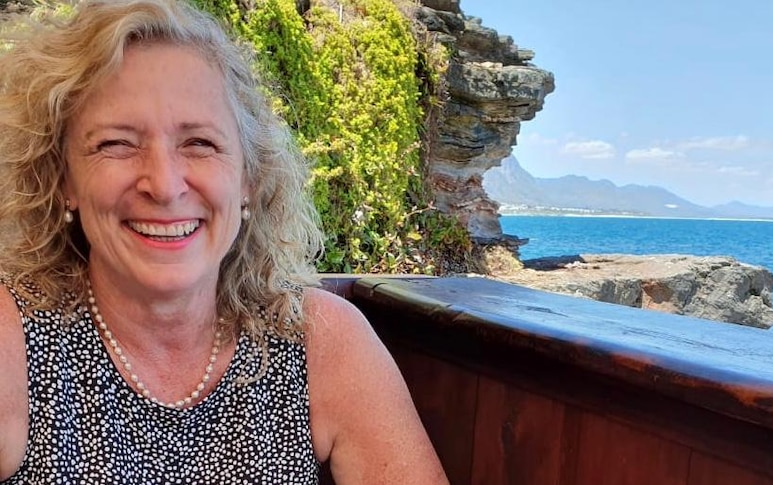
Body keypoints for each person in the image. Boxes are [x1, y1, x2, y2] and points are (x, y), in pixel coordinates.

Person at [0, 1, 448, 483]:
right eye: (116, 144)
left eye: (199, 143)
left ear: (247, 180)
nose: (165, 184)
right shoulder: (12, 335)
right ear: (64, 178)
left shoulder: (320, 339)